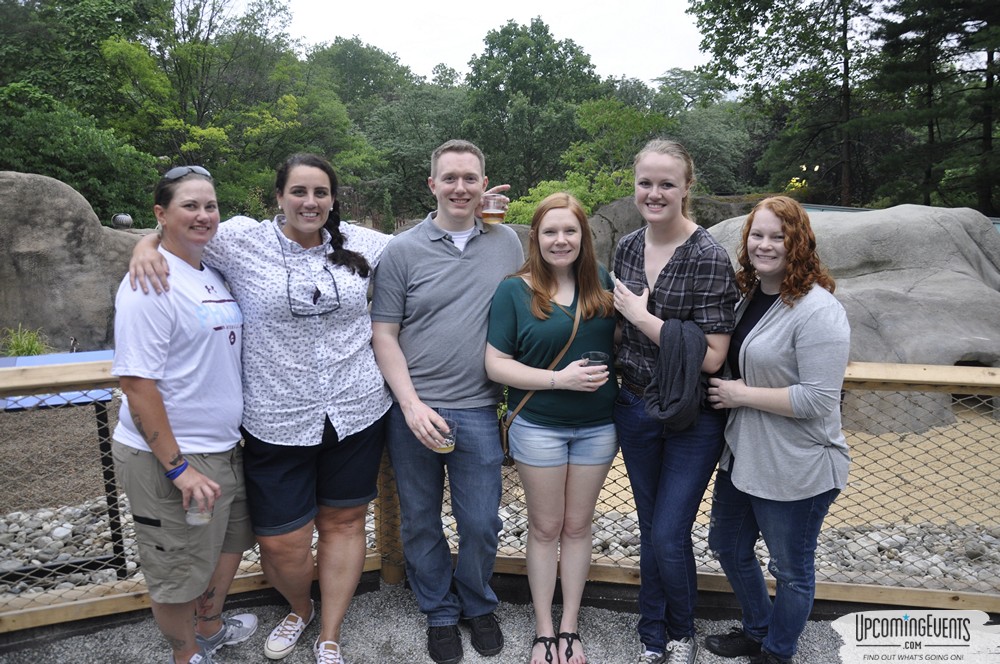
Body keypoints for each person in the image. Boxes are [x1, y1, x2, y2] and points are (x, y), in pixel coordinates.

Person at [129, 154, 391, 664]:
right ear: (279, 197)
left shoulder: (362, 241)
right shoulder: (241, 239)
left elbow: (428, 241)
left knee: (344, 522)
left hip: (357, 410)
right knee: (280, 543)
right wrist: (145, 243)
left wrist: (480, 214)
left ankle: (329, 632)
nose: (310, 202)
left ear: (333, 199)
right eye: (299, 192)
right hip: (276, 417)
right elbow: (184, 229)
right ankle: (300, 607)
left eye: (320, 192)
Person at [370, 139, 524, 664]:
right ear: (431, 184)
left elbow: (538, 300)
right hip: (414, 410)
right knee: (419, 519)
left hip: (480, 409)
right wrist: (410, 404)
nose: (460, 187)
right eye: (450, 178)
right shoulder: (401, 250)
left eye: (471, 178)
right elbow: (384, 334)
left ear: (485, 185)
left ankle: (477, 601)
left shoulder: (508, 245)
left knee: (481, 522)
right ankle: (438, 608)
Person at [112, 165, 257, 664]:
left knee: (227, 543)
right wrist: (177, 466)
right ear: (161, 214)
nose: (203, 215)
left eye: (210, 205)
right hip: (170, 455)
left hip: (223, 446)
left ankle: (210, 627)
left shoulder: (208, 269)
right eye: (189, 206)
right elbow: (136, 383)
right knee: (175, 568)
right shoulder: (147, 283)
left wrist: (149, 241)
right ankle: (186, 653)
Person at [704, 196, 850, 664]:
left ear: (798, 242)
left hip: (796, 466)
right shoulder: (750, 295)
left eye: (777, 236)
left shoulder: (818, 310)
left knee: (791, 570)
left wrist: (740, 395)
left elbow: (819, 399)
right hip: (744, 455)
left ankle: (778, 651)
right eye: (758, 234)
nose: (765, 245)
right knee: (727, 545)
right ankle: (759, 627)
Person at [611, 138, 739, 664]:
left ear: (687, 188)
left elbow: (711, 356)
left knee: (669, 531)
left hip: (691, 415)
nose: (655, 193)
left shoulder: (708, 256)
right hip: (635, 405)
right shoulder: (626, 247)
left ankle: (680, 632)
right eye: (646, 182)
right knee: (650, 527)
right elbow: (616, 333)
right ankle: (651, 634)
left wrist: (644, 318)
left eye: (667, 183)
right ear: (635, 186)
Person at [485, 193, 618, 664]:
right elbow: (496, 364)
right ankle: (543, 629)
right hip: (538, 427)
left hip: (598, 428)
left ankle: (569, 626)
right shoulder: (514, 291)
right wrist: (559, 379)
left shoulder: (603, 286)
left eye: (570, 231)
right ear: (535, 238)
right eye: (550, 232)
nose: (561, 240)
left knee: (578, 526)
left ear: (584, 236)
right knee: (545, 528)